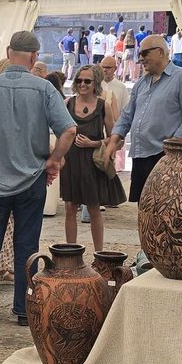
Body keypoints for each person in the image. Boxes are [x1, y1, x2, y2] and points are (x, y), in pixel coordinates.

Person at [0, 31, 77, 326]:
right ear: (34, 57)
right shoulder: (44, 89)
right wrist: (54, 160)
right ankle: (26, 309)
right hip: (31, 180)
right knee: (27, 246)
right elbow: (69, 130)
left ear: (8, 52)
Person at [103, 34, 182, 202]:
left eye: (144, 53)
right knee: (144, 207)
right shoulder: (141, 83)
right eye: (139, 54)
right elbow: (127, 116)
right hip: (141, 156)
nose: (140, 58)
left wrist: (173, 148)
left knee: (165, 206)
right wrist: (113, 141)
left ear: (160, 52)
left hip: (165, 156)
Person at [60, 64, 125, 251]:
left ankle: (99, 254)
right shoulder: (67, 103)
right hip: (71, 161)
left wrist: (94, 143)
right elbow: (60, 132)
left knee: (94, 208)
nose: (82, 84)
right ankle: (70, 254)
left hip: (92, 162)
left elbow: (115, 139)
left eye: (87, 81)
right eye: (79, 80)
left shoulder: (104, 106)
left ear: (95, 83)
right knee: (70, 208)